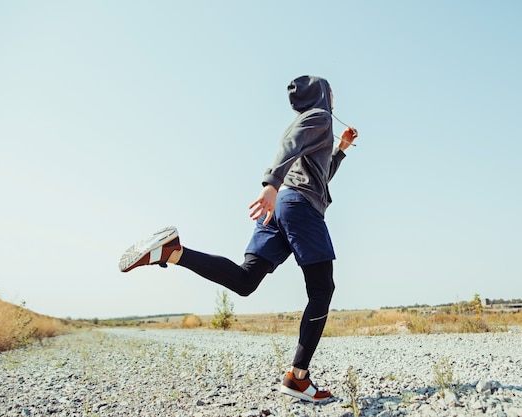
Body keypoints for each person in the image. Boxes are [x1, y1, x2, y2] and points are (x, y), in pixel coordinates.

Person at [119, 75, 358, 403]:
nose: (335, 98)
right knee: (322, 290)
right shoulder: (321, 117)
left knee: (246, 280)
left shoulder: (312, 122)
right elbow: (291, 149)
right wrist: (270, 183)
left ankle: (172, 252)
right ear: (321, 94)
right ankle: (298, 378)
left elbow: (319, 176)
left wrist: (340, 149)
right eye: (332, 92)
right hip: (298, 206)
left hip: (282, 207)